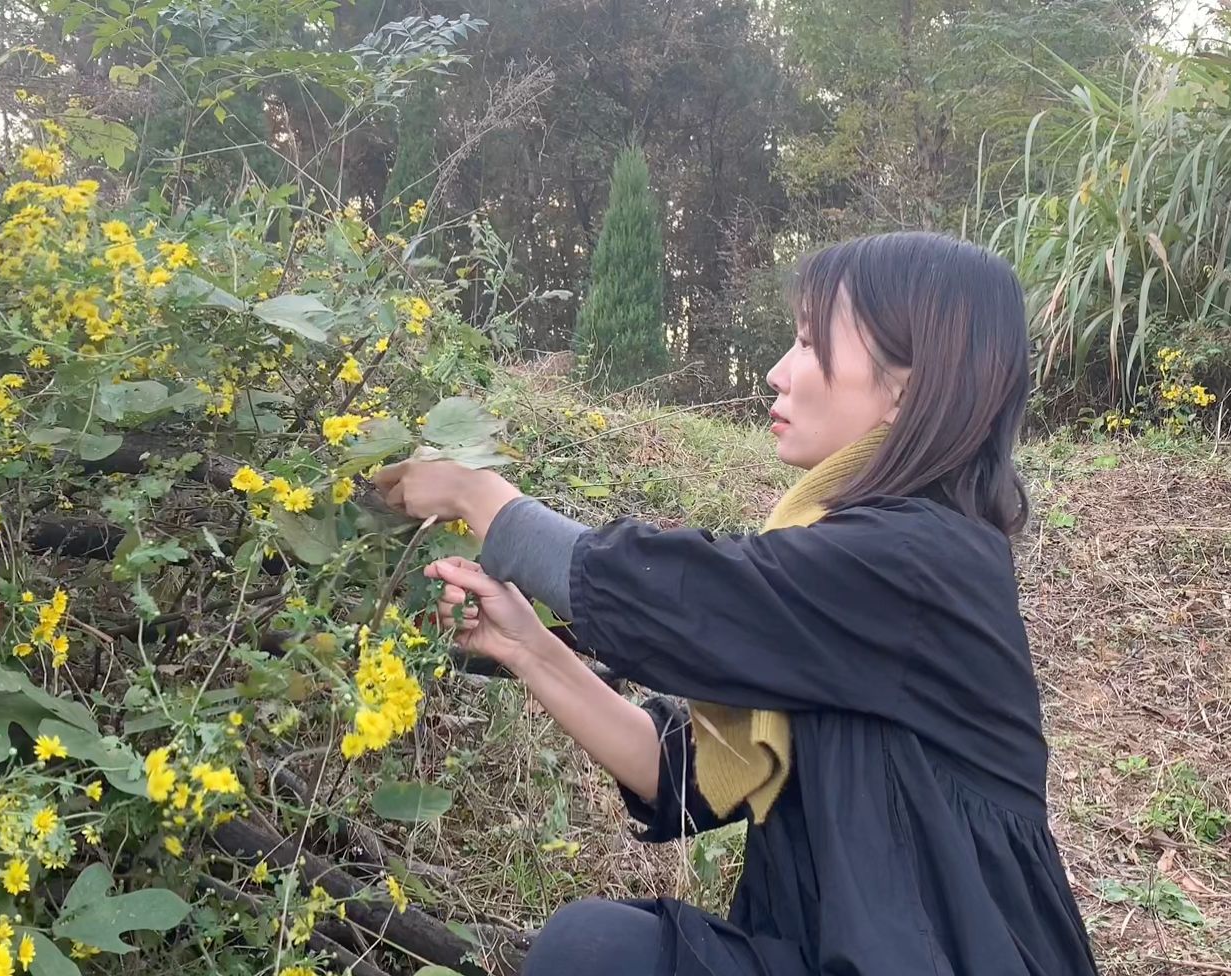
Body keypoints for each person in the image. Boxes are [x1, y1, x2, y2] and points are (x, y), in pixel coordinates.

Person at [373, 232, 1099, 976]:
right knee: (600, 947)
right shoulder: (862, 567)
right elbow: (680, 776)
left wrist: (479, 495)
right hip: (842, 955)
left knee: (596, 952)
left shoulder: (918, 562)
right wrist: (525, 644)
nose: (776, 372)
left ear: (908, 386)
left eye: (811, 344)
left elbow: (684, 596)